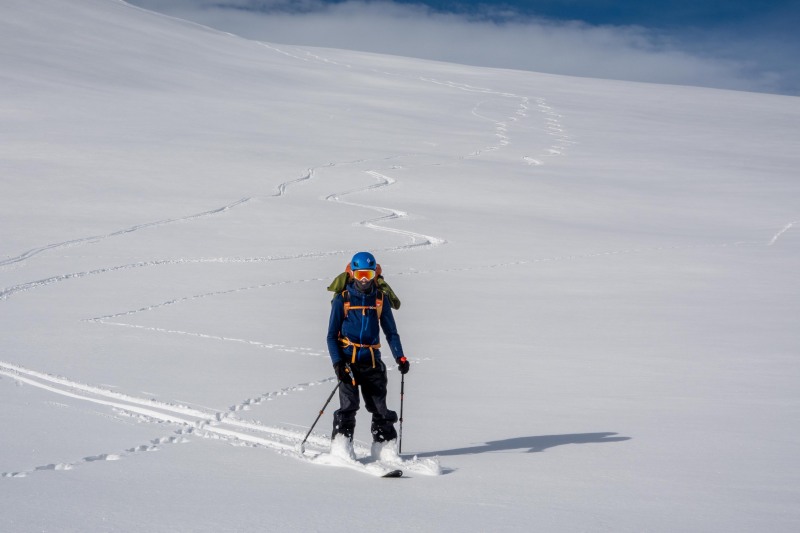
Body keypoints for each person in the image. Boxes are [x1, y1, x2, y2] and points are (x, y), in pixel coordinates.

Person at [326, 251, 410, 455]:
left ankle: (384, 448)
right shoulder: (342, 299)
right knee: (348, 406)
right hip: (348, 361)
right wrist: (338, 364)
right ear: (353, 273)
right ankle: (341, 447)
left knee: (379, 407)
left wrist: (400, 356)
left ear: (375, 275)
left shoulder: (380, 299)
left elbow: (391, 332)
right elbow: (330, 336)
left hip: (372, 362)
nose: (364, 280)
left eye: (369, 275)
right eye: (361, 274)